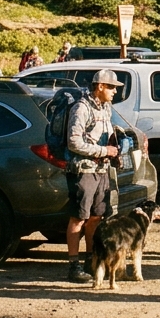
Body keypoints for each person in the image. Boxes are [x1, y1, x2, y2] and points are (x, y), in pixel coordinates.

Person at [64, 70, 122, 282]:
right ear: (100, 87)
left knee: (96, 217)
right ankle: (73, 265)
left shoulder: (105, 108)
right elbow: (74, 142)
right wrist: (103, 151)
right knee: (78, 217)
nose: (115, 91)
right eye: (111, 87)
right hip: (83, 172)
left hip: (101, 171)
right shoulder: (81, 108)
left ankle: (91, 261)